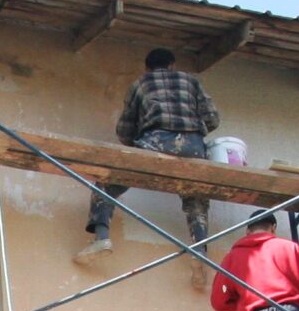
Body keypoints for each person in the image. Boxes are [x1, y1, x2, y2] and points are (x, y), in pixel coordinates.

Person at [81, 47, 221, 262]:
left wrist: (139, 144)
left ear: (147, 68)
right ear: (172, 64)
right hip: (193, 146)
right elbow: (212, 118)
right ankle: (200, 250)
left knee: (107, 183)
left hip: (156, 142)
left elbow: (124, 130)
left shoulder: (140, 84)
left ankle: (101, 238)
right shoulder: (191, 81)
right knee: (196, 193)